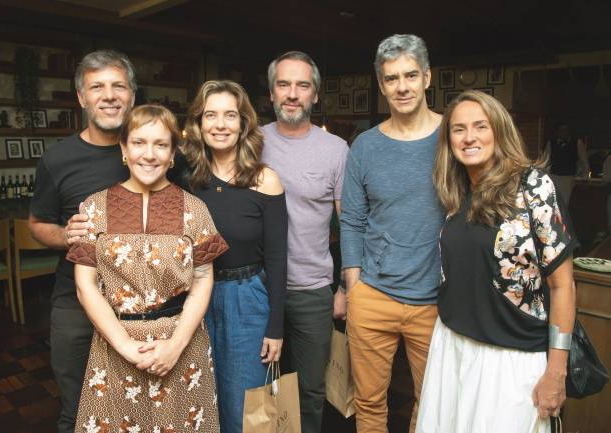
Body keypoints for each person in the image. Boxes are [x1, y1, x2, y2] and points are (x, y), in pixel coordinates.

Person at [416, 90, 577, 433]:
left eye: (480, 126)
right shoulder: (457, 190)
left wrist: (556, 371)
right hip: (452, 346)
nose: (469, 137)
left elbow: (563, 285)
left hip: (511, 357)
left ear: (499, 131)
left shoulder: (534, 186)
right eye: (458, 129)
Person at [67, 104, 228, 432]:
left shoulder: (195, 209)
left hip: (180, 348)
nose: (149, 154)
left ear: (172, 153)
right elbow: (85, 286)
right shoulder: (93, 208)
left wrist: (175, 346)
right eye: (139, 143)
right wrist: (125, 346)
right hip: (114, 346)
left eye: (160, 144)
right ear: (124, 148)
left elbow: (203, 279)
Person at [28, 49, 136, 433]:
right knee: (76, 410)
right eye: (97, 87)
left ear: (132, 96)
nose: (109, 95)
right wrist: (64, 234)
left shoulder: (151, 151)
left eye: (118, 86)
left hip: (142, 306)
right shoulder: (58, 159)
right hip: (75, 303)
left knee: (135, 407)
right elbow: (37, 223)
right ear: (81, 98)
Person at [340, 34, 443, 433]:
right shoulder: (364, 147)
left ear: (427, 77)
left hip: (436, 302)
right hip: (373, 296)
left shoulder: (453, 139)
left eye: (410, 75)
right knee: (368, 403)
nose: (402, 86)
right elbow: (351, 220)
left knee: (431, 401)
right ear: (381, 85)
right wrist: (354, 287)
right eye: (391, 78)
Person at [181, 80, 288, 433]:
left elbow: (276, 258)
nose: (220, 124)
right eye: (210, 115)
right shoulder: (187, 180)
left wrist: (275, 327)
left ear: (243, 124)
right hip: (196, 300)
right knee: (201, 401)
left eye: (230, 115)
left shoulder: (265, 180)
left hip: (247, 300)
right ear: (198, 124)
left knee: (247, 408)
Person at [261, 51, 348, 433]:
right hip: (257, 288)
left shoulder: (336, 150)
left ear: (315, 95)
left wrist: (345, 287)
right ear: (271, 93)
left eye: (302, 85)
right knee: (265, 388)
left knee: (311, 389)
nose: (292, 94)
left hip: (312, 291)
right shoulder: (249, 141)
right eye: (284, 84)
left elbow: (351, 226)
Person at [542, 122, 589, 205]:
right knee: (551, 201)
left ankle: (562, 217)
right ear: (557, 132)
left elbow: (584, 161)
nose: (563, 132)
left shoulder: (577, 143)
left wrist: (584, 178)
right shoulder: (551, 143)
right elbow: (546, 161)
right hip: (554, 176)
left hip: (568, 177)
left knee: (564, 202)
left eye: (565, 130)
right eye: (561, 130)